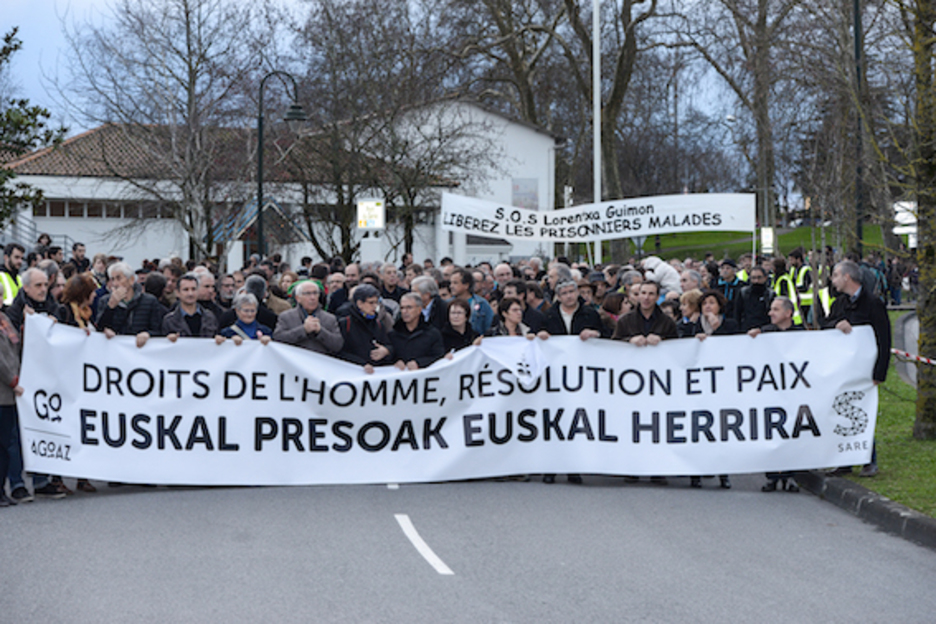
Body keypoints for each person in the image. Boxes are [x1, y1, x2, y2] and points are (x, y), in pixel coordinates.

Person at [822, 260, 891, 478]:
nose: (833, 280)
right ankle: (845, 460)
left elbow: (883, 339)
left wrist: (879, 373)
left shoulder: (873, 303)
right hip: (843, 368)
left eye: (835, 275)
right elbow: (825, 325)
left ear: (847, 277)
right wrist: (836, 324)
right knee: (840, 412)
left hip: (865, 370)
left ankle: (869, 459)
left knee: (863, 411)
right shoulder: (839, 303)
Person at [745, 296, 804, 492]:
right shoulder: (765, 332)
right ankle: (772, 475)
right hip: (771, 392)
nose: (770, 313)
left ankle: (790, 475)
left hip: (794, 392)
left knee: (793, 432)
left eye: (775, 309)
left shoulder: (802, 334)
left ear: (788, 313)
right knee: (771, 431)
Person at [692, 289, 740, 489]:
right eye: (704, 304)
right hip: (697, 384)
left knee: (720, 429)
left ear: (720, 306)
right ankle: (696, 472)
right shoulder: (693, 325)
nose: (708, 307)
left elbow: (735, 346)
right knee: (698, 428)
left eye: (711, 303)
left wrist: (716, 328)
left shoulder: (730, 324)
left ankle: (723, 472)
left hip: (721, 383)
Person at [96, 261, 164, 347]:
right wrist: (110, 308)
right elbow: (99, 328)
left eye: (119, 278)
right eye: (112, 279)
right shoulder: (105, 301)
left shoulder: (150, 301)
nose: (115, 284)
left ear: (131, 280)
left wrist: (148, 334)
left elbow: (159, 330)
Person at [273, 280, 343, 355]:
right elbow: (278, 339)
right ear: (298, 298)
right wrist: (303, 330)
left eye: (315, 293)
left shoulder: (330, 318)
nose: (312, 297)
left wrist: (320, 331)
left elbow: (338, 345)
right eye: (307, 294)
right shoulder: (286, 317)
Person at [337, 284, 394, 373]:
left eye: (376, 302)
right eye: (371, 303)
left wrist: (386, 351)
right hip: (353, 374)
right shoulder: (345, 324)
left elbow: (389, 345)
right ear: (359, 303)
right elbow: (339, 352)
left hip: (376, 375)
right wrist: (362, 364)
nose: (375, 306)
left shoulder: (379, 324)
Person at [389, 293, 445, 370]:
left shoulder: (432, 334)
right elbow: (387, 358)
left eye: (409, 307)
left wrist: (419, 363)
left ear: (419, 310)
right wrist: (395, 362)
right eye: (402, 308)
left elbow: (439, 358)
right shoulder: (392, 334)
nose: (405, 311)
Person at [612, 281, 678, 344]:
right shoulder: (624, 320)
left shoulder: (668, 322)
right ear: (639, 295)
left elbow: (675, 346)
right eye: (643, 293)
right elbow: (615, 344)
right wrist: (630, 340)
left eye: (651, 294)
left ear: (657, 297)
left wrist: (661, 340)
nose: (646, 297)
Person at [162, 273, 220, 340]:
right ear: (177, 293)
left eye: (193, 289)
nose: (190, 293)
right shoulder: (169, 321)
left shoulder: (210, 317)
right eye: (186, 289)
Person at [450, 268, 494, 335]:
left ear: (466, 285)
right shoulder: (447, 303)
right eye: (451, 283)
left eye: (455, 283)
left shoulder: (482, 303)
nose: (451, 286)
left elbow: (489, 327)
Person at [734, 266, 773, 331]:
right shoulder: (743, 293)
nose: (756, 281)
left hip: (765, 331)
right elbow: (737, 314)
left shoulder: (770, 294)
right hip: (746, 331)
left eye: (759, 277)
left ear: (765, 278)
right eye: (753, 278)